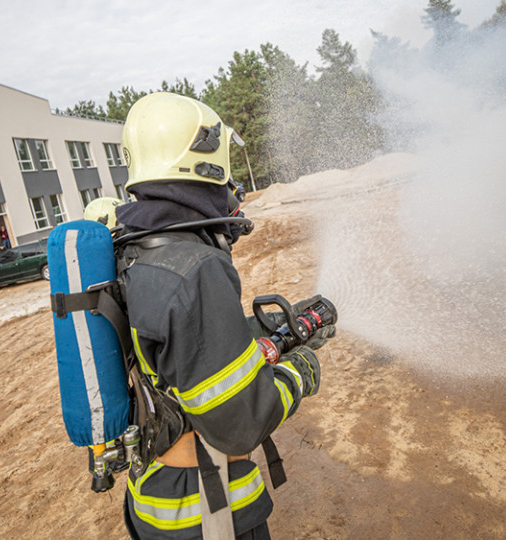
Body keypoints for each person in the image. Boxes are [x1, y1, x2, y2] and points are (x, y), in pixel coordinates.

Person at [115, 92, 335, 540]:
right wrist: (301, 368)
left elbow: (176, 354)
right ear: (205, 163)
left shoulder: (136, 249)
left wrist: (255, 336)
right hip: (207, 512)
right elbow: (241, 423)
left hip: (156, 498)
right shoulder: (194, 268)